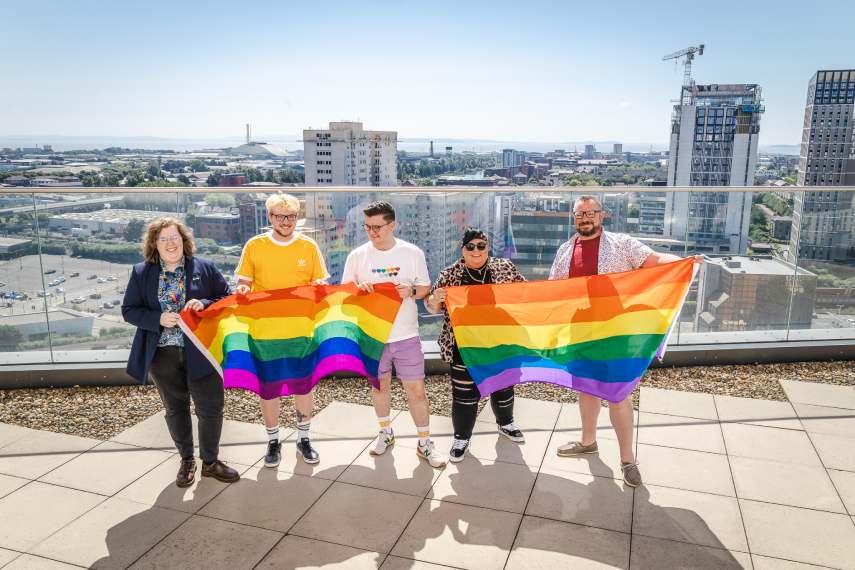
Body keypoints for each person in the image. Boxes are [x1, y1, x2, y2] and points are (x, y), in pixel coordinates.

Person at [549, 195, 700, 487]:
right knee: (586, 388)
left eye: (591, 213)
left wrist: (684, 262)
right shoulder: (565, 251)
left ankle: (628, 459)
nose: (585, 219)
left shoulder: (622, 243)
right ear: (573, 218)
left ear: (602, 216)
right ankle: (588, 441)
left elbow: (655, 261)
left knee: (619, 394)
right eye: (580, 214)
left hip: (616, 333)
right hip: (580, 331)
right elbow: (556, 291)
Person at [122, 217, 239, 488]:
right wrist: (157, 319)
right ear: (154, 244)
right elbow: (129, 311)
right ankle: (187, 460)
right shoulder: (142, 273)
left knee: (211, 408)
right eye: (163, 239)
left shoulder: (204, 268)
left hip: (202, 351)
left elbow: (227, 298)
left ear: (183, 240)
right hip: (162, 354)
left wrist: (205, 302)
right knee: (175, 409)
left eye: (174, 237)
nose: (170, 244)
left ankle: (210, 462)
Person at [341, 201, 446, 468]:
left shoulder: (411, 253)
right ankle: (385, 432)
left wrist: (409, 292)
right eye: (368, 227)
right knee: (380, 387)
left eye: (378, 227)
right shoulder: (357, 256)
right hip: (372, 336)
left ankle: (424, 442)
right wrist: (357, 289)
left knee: (417, 391)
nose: (372, 232)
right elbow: (343, 296)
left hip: (406, 335)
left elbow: (424, 288)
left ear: (392, 225)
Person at [234, 193, 329, 467]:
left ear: (297, 217)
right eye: (279, 216)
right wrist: (242, 289)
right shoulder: (255, 245)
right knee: (269, 388)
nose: (285, 221)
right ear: (270, 218)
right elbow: (244, 282)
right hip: (265, 331)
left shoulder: (308, 246)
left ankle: (304, 438)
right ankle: (273, 441)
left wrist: (321, 287)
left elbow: (320, 282)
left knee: (303, 386)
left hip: (301, 330)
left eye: (290, 216)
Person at [425, 228, 527, 463]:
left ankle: (506, 423)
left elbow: (526, 294)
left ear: (488, 247)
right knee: (464, 395)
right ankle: (461, 437)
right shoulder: (449, 274)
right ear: (462, 249)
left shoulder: (505, 267)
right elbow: (431, 308)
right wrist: (435, 299)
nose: (476, 250)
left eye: (481, 245)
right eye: (470, 246)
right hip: (464, 346)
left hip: (501, 342)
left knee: (503, 387)